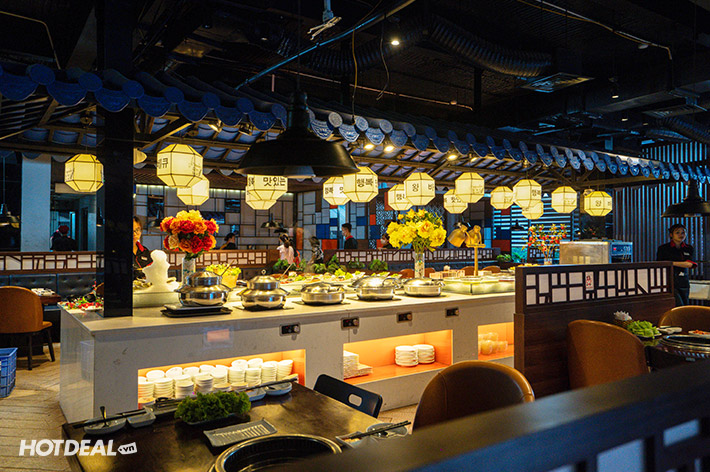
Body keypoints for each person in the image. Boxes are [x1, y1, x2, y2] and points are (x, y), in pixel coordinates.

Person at [657, 223, 697, 306]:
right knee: (677, 304)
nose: (681, 235)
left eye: (683, 232)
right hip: (669, 281)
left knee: (685, 305)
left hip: (683, 281)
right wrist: (681, 263)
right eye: (677, 232)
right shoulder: (663, 248)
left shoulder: (689, 248)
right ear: (671, 235)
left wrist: (671, 263)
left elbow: (689, 264)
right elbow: (660, 264)